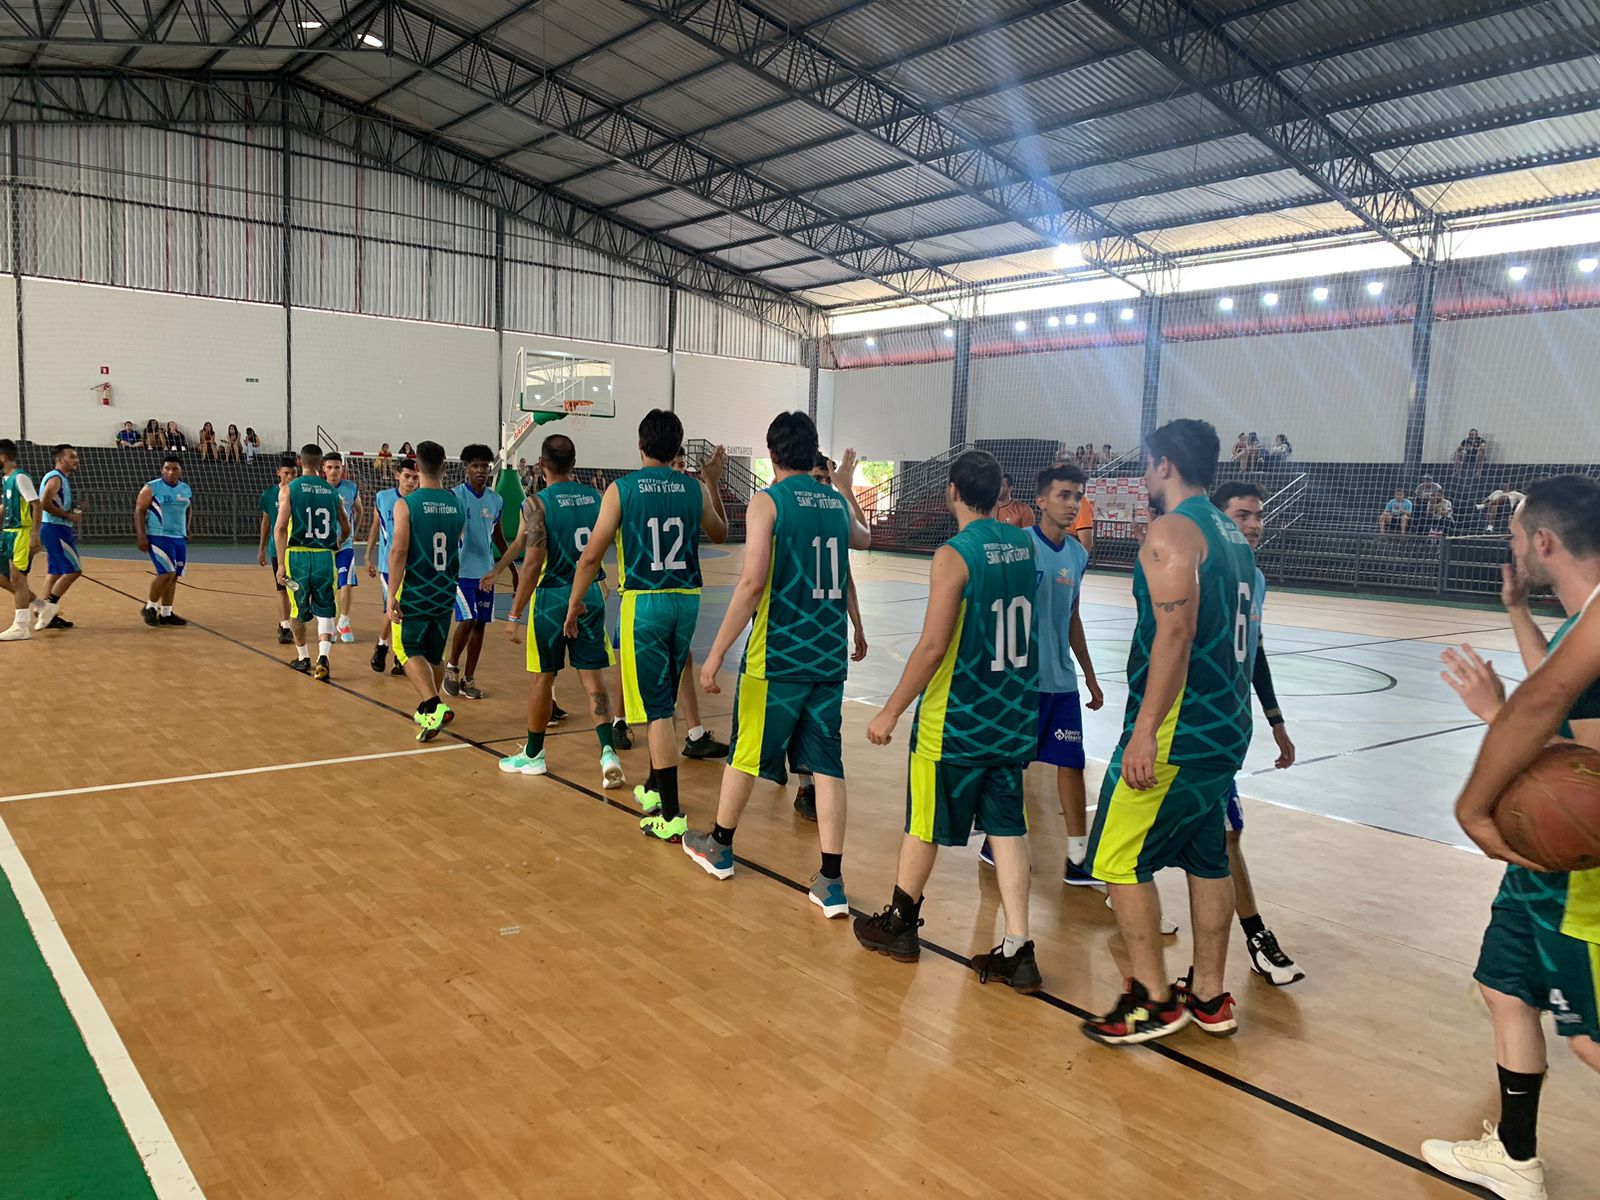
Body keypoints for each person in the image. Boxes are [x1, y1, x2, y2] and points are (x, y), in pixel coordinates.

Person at [1425, 475, 1600, 1199]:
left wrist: (1497, 715)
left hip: (1577, 876)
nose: (1511, 545)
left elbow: (1583, 777)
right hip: (1534, 874)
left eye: (1515, 535)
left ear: (1545, 542)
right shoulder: (1583, 619)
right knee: (1505, 989)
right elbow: (1554, 685)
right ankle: (1515, 1159)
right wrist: (1519, 614)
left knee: (1589, 1034)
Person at [1081, 418, 1255, 1044]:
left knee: (1118, 857)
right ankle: (1209, 994)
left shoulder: (1173, 531)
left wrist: (1145, 729)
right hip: (1227, 726)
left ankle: (1152, 999)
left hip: (1180, 730)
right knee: (1207, 858)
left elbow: (1177, 634)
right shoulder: (1235, 536)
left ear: (1164, 466)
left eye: (1148, 464)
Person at [852, 450, 1041, 989]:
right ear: (998, 490)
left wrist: (891, 710)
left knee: (925, 821)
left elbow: (934, 645)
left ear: (953, 490)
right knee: (1008, 830)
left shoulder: (954, 554)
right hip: (1011, 713)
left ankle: (901, 923)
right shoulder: (1023, 546)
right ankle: (1018, 946)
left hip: (958, 717)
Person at [681, 416, 871, 916]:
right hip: (828, 657)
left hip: (779, 656)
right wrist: (847, 488)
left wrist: (717, 652)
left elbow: (750, 584)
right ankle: (831, 880)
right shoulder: (832, 502)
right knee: (827, 765)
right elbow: (864, 541)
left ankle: (719, 845)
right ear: (813, 454)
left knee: (745, 751)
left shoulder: (769, 502)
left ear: (771, 455)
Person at [567, 410, 728, 843]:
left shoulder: (622, 490)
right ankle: (656, 787)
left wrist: (574, 602)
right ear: (678, 449)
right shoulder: (693, 487)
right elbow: (720, 532)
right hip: (688, 600)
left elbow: (590, 556)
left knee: (656, 709)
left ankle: (670, 814)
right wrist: (710, 480)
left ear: (640, 445)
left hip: (645, 602)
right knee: (666, 691)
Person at [977, 462, 1104, 885]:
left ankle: (1077, 857)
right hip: (1020, 681)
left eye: (1078, 496)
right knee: (1013, 765)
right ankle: (997, 839)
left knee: (1071, 763)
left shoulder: (1078, 555)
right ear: (1041, 500)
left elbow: (1073, 618)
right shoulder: (1017, 546)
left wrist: (1089, 674)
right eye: (1064, 495)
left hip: (1061, 681)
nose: (1072, 504)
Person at [1210, 482, 1304, 985]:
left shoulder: (1255, 579)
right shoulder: (1199, 571)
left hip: (1225, 727)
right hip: (1188, 726)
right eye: (1242, 515)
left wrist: (1275, 720)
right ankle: (1254, 935)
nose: (1253, 524)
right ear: (1219, 519)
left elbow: (1254, 653)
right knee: (1222, 835)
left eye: (1258, 515)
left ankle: (1254, 937)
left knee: (1228, 834)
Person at [499, 434, 625, 787]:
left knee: (543, 677)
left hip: (553, 599)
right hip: (591, 595)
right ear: (574, 462)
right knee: (592, 676)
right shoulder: (597, 498)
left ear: (541, 465)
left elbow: (533, 560)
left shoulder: (537, 504)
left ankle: (535, 754)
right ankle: (607, 752)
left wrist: (514, 613)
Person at [789, 452, 870, 821]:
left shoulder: (834, 516)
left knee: (821, 722)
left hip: (826, 638)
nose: (823, 485)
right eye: (819, 477)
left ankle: (807, 787)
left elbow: (848, 573)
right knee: (789, 719)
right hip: (789, 635)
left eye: (827, 479)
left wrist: (858, 624)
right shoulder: (788, 509)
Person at [386, 441, 465, 741]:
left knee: (405, 649)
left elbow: (398, 551)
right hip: (445, 589)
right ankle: (435, 707)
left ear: (417, 468)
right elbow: (457, 539)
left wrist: (392, 593)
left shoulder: (406, 504)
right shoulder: (456, 504)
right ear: (445, 466)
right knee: (434, 653)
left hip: (417, 589)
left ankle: (433, 704)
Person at [274, 443, 348, 681]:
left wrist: (281, 565)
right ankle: (323, 657)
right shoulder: (332, 491)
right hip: (325, 557)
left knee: (297, 608)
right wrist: (336, 543)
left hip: (297, 558)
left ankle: (303, 656)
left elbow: (280, 528)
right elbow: (346, 528)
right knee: (326, 607)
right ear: (320, 465)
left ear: (299, 462)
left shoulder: (289, 489)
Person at [444, 444, 506, 701]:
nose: (481, 470)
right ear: (466, 468)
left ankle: (469, 677)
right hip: (461, 571)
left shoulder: (496, 500)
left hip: (486, 574)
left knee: (480, 624)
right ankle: (452, 668)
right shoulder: (455, 496)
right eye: (476, 465)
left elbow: (499, 537)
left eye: (485, 465)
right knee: (467, 619)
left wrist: (510, 568)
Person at [366, 456, 419, 675]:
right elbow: (376, 526)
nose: (411, 482)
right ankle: (383, 647)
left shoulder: (419, 501)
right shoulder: (383, 497)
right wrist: (368, 554)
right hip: (389, 565)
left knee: (407, 611)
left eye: (415, 478)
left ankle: (394, 652)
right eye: (407, 476)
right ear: (397, 475)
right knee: (392, 608)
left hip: (414, 565)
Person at [134, 454, 193, 627]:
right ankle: (150, 607)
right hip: (159, 535)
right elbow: (139, 511)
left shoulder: (185, 488)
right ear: (162, 470)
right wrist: (141, 535)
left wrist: (187, 527)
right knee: (167, 572)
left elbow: (188, 508)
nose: (171, 472)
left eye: (175, 469)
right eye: (167, 468)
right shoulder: (152, 488)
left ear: (180, 471)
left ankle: (166, 613)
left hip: (179, 537)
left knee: (174, 577)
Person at [34, 444, 83, 631]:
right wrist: (68, 516)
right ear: (60, 459)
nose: (76, 460)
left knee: (54, 572)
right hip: (56, 528)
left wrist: (74, 506)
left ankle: (44, 613)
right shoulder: (56, 478)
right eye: (72, 457)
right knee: (74, 570)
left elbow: (54, 502)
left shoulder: (60, 479)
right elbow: (44, 503)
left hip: (53, 527)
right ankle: (48, 608)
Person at [0, 439, 39, 642]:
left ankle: (21, 627)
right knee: (3, 578)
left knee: (18, 579)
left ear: (3, 457)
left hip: (21, 533)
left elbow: (36, 504)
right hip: (7, 533)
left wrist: (34, 534)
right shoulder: (6, 479)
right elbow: (4, 507)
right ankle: (41, 606)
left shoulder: (20, 477)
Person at [322, 451, 362, 645]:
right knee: (328, 586)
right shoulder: (319, 489)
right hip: (324, 546)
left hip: (345, 545)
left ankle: (344, 621)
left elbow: (359, 510)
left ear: (342, 469)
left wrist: (353, 532)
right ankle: (328, 623)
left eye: (337, 467)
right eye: (329, 467)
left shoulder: (351, 488)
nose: (333, 471)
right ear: (323, 469)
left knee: (345, 583)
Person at [258, 453, 298, 644]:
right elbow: (266, 522)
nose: (290, 477)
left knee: (296, 589)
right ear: (278, 473)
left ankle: (295, 621)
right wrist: (261, 548)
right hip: (278, 550)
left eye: (293, 473)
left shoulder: (300, 492)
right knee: (282, 588)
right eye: (286, 473)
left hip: (299, 550)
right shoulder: (269, 494)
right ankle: (285, 625)